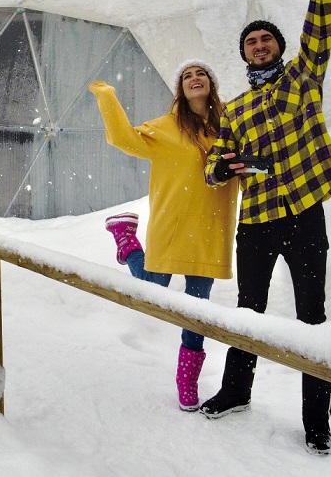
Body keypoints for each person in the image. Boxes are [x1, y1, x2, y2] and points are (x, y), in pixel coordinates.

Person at [199, 0, 331, 456]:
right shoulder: (234, 110)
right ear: (242, 54)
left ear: (279, 47)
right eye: (250, 43)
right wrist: (225, 167)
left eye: (265, 40)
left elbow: (322, 18)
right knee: (248, 311)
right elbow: (215, 163)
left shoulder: (304, 79)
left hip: (305, 213)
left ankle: (317, 422)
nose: (259, 46)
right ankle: (236, 391)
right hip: (256, 222)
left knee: (313, 318)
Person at [90, 60, 240, 411]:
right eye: (187, 76)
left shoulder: (230, 126)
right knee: (154, 291)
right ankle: (127, 243)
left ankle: (186, 381)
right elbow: (123, 138)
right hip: (171, 225)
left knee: (196, 312)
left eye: (201, 73)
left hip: (209, 230)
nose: (194, 78)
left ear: (211, 83)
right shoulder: (168, 127)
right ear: (180, 89)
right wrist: (107, 97)